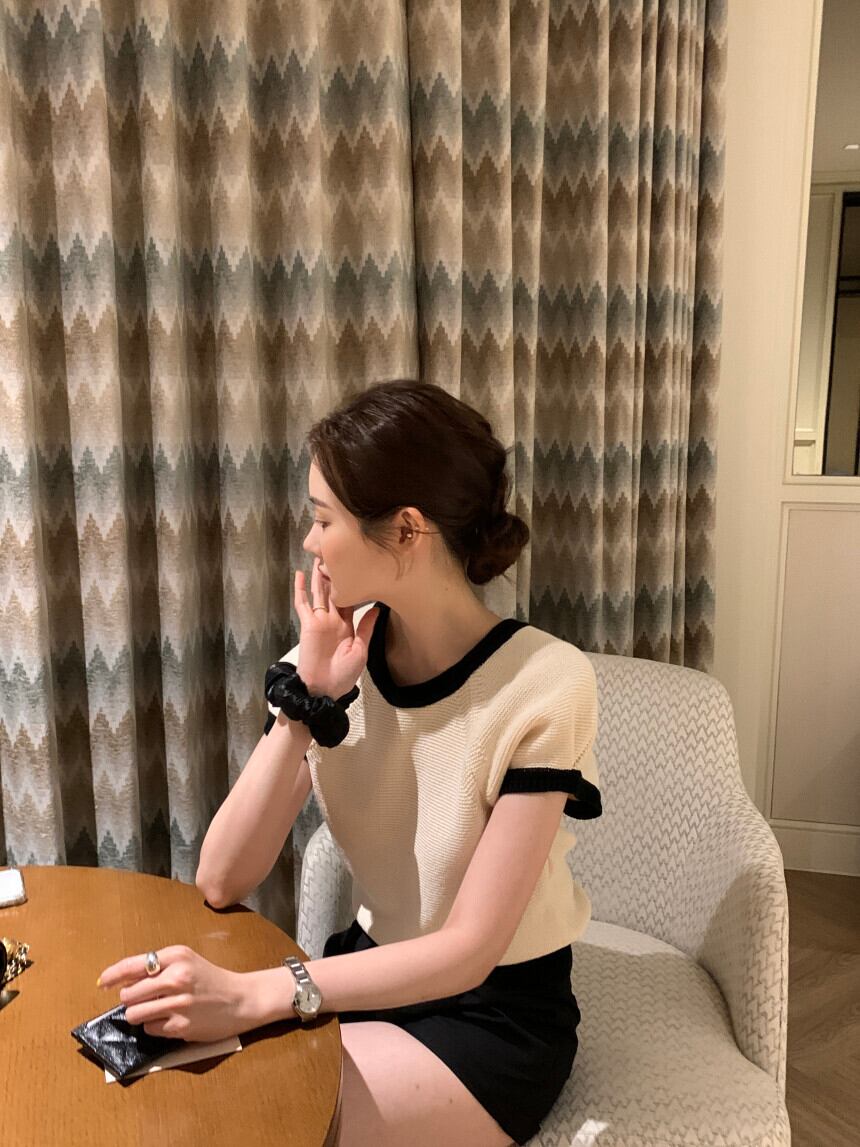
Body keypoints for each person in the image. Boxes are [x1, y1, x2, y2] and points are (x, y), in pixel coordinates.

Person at [97, 380, 603, 1147]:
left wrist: (255, 993)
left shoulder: (544, 682)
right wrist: (306, 706)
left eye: (323, 517)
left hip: (491, 1012)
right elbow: (222, 876)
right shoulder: (333, 660)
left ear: (405, 529)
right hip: (368, 975)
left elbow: (469, 948)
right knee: (178, 1094)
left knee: (257, 1116)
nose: (309, 541)